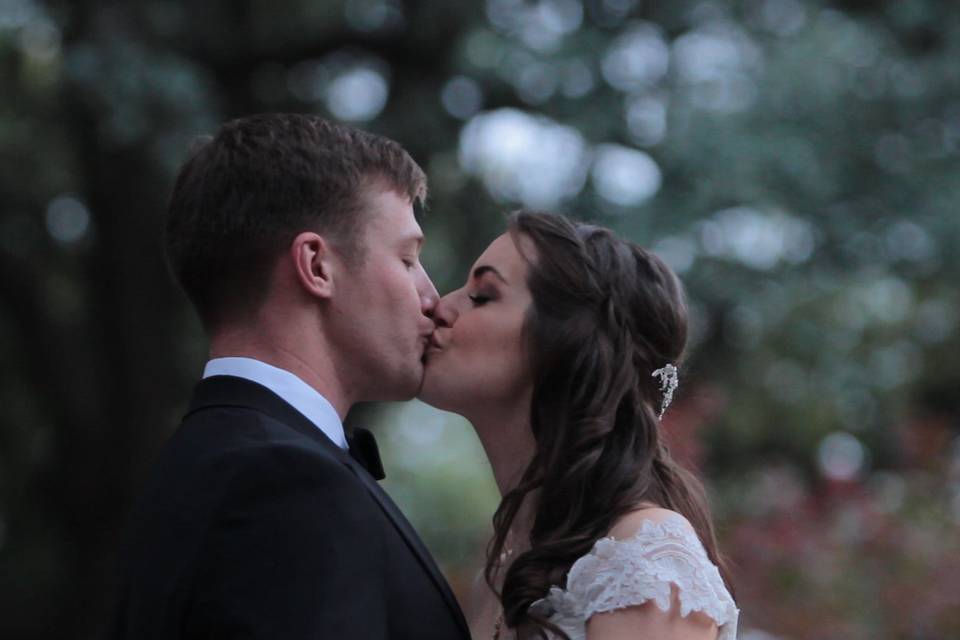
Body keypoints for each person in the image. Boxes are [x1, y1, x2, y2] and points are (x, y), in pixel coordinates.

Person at [111, 114, 470, 639]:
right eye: (408, 258)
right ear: (317, 266)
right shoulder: (285, 482)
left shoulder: (208, 460)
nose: (433, 299)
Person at [420, 211, 739, 640]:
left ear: (568, 345)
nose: (440, 306)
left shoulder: (643, 554)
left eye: (482, 296)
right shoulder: (502, 570)